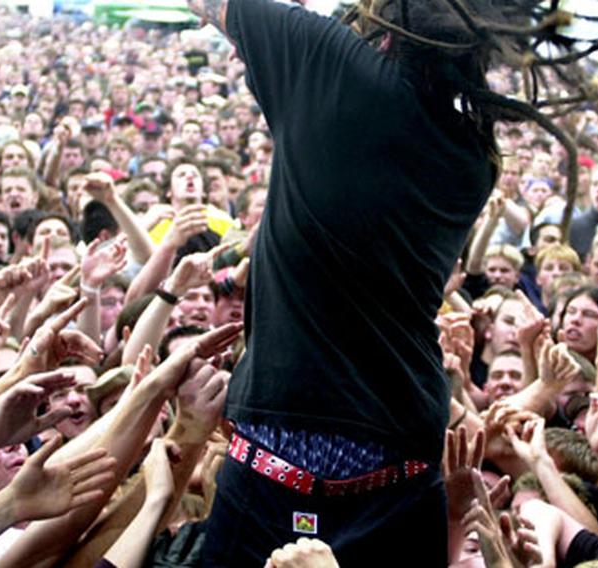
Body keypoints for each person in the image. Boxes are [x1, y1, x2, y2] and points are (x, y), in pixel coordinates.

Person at [186, 0, 497, 565]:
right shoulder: (473, 156)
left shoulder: (325, 57)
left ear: (383, 27)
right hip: (397, 457)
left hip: (279, 440)